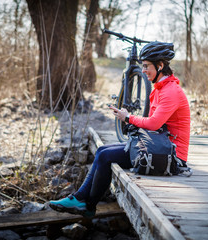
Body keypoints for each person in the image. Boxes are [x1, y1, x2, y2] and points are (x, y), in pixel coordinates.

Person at [49, 41, 190, 217]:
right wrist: (128, 117)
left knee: (106, 156)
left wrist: (128, 117)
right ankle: (81, 200)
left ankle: (87, 205)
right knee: (102, 150)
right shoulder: (162, 89)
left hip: (171, 156)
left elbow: (153, 124)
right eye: (142, 66)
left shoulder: (170, 91)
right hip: (159, 146)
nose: (144, 70)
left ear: (160, 65)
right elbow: (155, 122)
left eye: (146, 66)